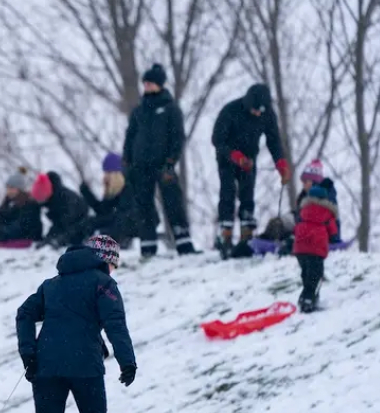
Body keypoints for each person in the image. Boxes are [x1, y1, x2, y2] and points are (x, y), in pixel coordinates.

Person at [0, 235, 137, 413]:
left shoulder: (52, 284)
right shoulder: (103, 284)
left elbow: (25, 314)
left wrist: (28, 353)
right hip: (85, 365)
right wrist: (127, 361)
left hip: (46, 364)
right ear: (106, 261)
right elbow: (115, 323)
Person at [122, 64, 196, 257]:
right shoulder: (139, 111)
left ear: (159, 84)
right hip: (140, 166)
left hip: (163, 164)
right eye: (145, 83)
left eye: (150, 83)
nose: (146, 86)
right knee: (143, 206)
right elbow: (130, 137)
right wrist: (127, 162)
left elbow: (177, 137)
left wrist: (171, 161)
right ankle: (148, 246)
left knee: (173, 203)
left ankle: (184, 243)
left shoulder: (171, 109)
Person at [212, 83, 291, 259]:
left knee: (248, 193)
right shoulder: (231, 110)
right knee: (228, 191)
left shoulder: (267, 115)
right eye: (255, 110)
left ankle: (246, 233)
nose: (257, 114)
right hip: (227, 157)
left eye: (260, 111)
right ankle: (225, 234)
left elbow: (274, 141)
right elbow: (217, 139)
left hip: (249, 159)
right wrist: (236, 157)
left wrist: (281, 164)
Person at [293, 179, 339, 313]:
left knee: (306, 273)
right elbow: (333, 232)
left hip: (300, 249)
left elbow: (297, 227)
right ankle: (308, 300)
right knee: (316, 275)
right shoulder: (327, 212)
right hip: (316, 249)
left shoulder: (303, 210)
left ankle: (306, 298)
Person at [79, 153, 134, 248]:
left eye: (108, 173)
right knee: (88, 223)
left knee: (112, 224)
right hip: (118, 223)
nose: (105, 176)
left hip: (130, 225)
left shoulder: (128, 187)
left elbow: (124, 215)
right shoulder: (112, 189)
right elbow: (102, 211)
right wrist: (87, 193)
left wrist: (104, 228)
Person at [0, 168, 43, 242]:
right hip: (9, 232)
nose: (9, 190)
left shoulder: (30, 204)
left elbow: (20, 228)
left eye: (12, 188)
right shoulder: (9, 202)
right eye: (8, 188)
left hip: (26, 237)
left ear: (20, 190)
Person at [30, 171, 90, 248]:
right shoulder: (51, 199)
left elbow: (67, 223)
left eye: (40, 199)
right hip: (69, 224)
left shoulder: (65, 199)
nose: (39, 202)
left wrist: (59, 239)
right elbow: (57, 223)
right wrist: (48, 238)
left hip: (81, 225)